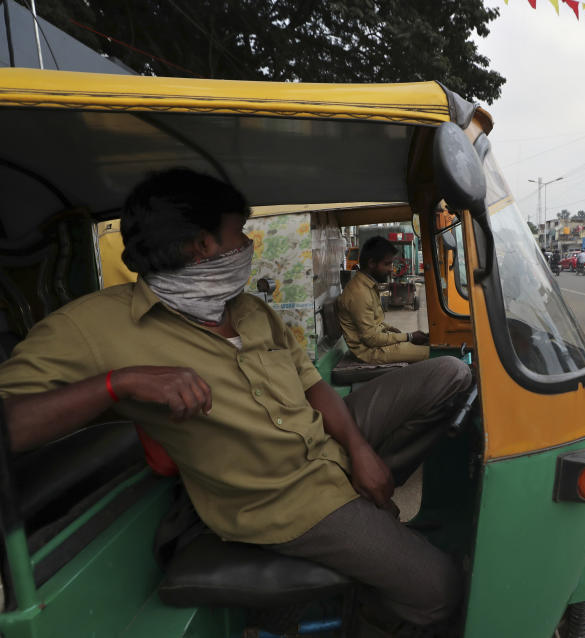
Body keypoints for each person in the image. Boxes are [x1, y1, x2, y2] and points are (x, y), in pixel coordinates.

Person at [0, 168, 472, 631]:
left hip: (325, 442)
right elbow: (9, 424)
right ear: (202, 245)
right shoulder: (90, 327)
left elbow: (312, 385)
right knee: (442, 593)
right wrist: (117, 384)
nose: (247, 247)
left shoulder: (249, 309)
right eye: (239, 235)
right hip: (284, 500)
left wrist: (361, 451)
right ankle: (367, 605)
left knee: (450, 375)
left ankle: (367, 505)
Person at [338, 236, 430, 364]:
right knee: (431, 352)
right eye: (387, 264)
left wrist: (394, 331)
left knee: (428, 343)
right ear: (371, 263)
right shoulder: (359, 294)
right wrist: (408, 337)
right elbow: (371, 339)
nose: (391, 269)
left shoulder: (368, 285)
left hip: (376, 345)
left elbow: (375, 322)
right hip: (370, 352)